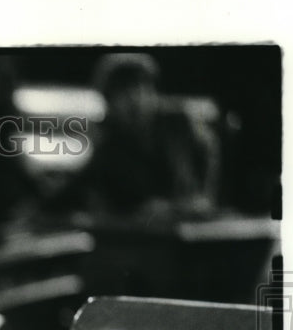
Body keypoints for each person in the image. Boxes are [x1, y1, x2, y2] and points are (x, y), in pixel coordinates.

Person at [83, 53, 220, 219]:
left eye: (142, 88)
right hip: (147, 234)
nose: (135, 100)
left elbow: (207, 153)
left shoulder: (178, 123)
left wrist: (204, 196)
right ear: (109, 102)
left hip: (193, 223)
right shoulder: (107, 148)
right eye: (123, 92)